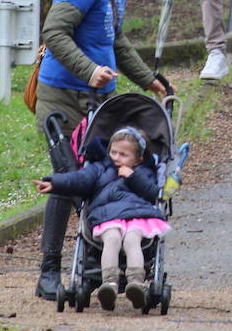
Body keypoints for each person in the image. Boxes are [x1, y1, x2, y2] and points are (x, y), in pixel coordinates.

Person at [34, 0, 168, 303]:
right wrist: (88, 69)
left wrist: (147, 78)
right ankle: (49, 271)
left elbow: (116, 39)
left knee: (104, 176)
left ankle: (97, 264)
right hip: (62, 98)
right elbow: (53, 31)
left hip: (96, 101)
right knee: (68, 179)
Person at [33, 126, 169, 311]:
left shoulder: (144, 172)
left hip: (137, 215)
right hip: (108, 217)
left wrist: (133, 177)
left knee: (132, 240)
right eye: (113, 152)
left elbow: (154, 193)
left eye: (123, 154)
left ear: (138, 159)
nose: (116, 157)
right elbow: (78, 179)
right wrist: (54, 182)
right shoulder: (99, 168)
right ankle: (109, 283)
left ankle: (136, 283)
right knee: (111, 238)